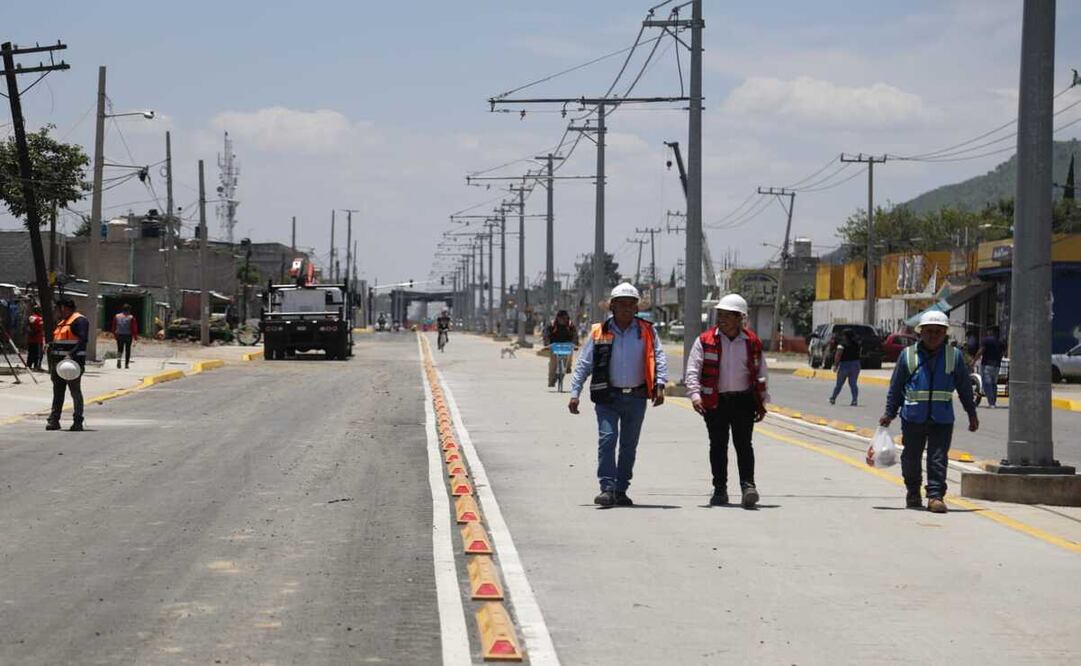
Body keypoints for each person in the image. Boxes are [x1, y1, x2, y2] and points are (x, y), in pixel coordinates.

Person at [568, 283, 668, 507]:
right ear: (612, 307)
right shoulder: (599, 332)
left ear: (636, 308)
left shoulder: (647, 331)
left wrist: (660, 384)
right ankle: (607, 488)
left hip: (637, 396)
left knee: (628, 445)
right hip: (607, 397)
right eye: (621, 304)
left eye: (631, 304)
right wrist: (575, 392)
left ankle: (621, 489)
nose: (626, 308)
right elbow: (584, 364)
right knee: (607, 439)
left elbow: (658, 357)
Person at [879, 310, 978, 513]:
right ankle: (913, 492)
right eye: (929, 331)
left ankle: (935, 496)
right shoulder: (907, 355)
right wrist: (889, 413)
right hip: (913, 418)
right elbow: (896, 387)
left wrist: (971, 413)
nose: (933, 335)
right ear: (920, 333)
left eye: (938, 331)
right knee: (911, 458)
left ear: (945, 334)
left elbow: (965, 388)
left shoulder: (954, 356)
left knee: (938, 458)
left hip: (942, 419)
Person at [685, 293, 770, 509]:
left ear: (740, 318)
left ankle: (748, 487)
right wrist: (695, 396)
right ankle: (720, 489)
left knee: (744, 445)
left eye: (727, 315)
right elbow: (693, 370)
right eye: (720, 315)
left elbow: (761, 372)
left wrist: (762, 400)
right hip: (715, 402)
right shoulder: (704, 341)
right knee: (718, 446)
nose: (721, 319)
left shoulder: (752, 342)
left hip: (743, 401)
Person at [47, 297, 89, 432]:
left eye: (58, 308)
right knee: (58, 392)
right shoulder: (63, 322)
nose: (57, 311)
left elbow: (83, 340)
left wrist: (71, 354)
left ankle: (78, 421)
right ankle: (54, 420)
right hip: (58, 364)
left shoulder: (79, 320)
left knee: (75, 392)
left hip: (72, 364)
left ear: (64, 308)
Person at [972, 325, 1005, 408]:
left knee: (987, 383)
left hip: (987, 364)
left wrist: (974, 360)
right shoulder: (1001, 341)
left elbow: (981, 351)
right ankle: (993, 401)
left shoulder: (986, 340)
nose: (987, 332)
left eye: (989, 331)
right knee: (994, 384)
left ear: (992, 332)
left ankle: (991, 403)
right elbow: (1003, 353)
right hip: (997, 365)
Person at [829, 328, 861, 406]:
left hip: (844, 365)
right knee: (853, 383)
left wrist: (835, 365)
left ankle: (833, 398)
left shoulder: (841, 344)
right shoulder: (857, 344)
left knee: (839, 383)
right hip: (856, 364)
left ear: (845, 336)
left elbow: (838, 355)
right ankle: (854, 400)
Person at [546, 309, 577, 387]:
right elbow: (547, 334)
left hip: (566, 344)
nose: (562, 320)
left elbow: (575, 335)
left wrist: (575, 344)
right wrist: (547, 343)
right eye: (560, 318)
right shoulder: (552, 324)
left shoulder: (570, 325)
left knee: (568, 360)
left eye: (564, 318)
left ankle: (567, 369)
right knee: (553, 363)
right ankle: (551, 381)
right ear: (557, 318)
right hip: (555, 345)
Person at [111, 303, 138, 369]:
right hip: (128, 335)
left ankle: (119, 361)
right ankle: (126, 364)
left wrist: (114, 334)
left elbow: (114, 326)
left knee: (120, 349)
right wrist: (135, 337)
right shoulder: (131, 317)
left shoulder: (117, 316)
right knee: (127, 350)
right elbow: (134, 328)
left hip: (119, 335)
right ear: (129, 310)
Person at [25, 305, 44, 371]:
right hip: (38, 340)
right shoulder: (40, 318)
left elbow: (27, 327)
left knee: (31, 353)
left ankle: (29, 366)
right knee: (38, 354)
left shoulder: (30, 317)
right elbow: (40, 328)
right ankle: (37, 366)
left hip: (31, 339)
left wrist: (31, 333)